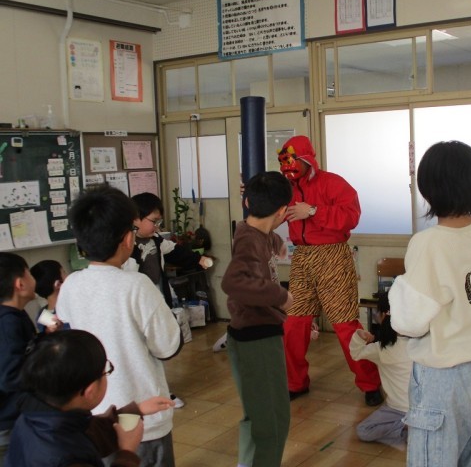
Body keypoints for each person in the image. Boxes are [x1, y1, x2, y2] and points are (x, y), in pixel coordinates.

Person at [389, 140, 471, 466]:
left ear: (429, 190)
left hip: (445, 376)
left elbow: (408, 322)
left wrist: (399, 289)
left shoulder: (429, 243)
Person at [56, 185, 183, 467]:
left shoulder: (71, 285)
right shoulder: (137, 285)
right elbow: (167, 347)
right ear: (128, 239)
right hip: (142, 416)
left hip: (95, 417)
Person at [277, 135, 382, 406]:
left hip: (333, 255)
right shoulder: (285, 188)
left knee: (345, 324)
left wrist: (313, 210)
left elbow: (351, 216)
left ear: (305, 160)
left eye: (291, 160)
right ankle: (294, 382)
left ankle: (370, 384)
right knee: (293, 324)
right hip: (302, 257)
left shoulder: (333, 183)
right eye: (283, 161)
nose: (287, 167)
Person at [5, 329, 175, 467]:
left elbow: (86, 433)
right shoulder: (67, 458)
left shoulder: (33, 417)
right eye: (106, 371)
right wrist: (127, 453)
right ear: (90, 390)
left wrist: (136, 410)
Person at [221, 171, 293, 467]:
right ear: (282, 211)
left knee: (258, 414)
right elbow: (233, 281)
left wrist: (275, 239)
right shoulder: (251, 241)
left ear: (247, 202)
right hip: (257, 337)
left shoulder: (249, 231)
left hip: (249, 335)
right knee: (273, 421)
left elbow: (255, 237)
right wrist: (281, 296)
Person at [125, 192, 213, 409]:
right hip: (135, 307)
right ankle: (146, 393)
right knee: (138, 351)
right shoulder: (126, 246)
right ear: (135, 219)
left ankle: (161, 391)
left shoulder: (156, 240)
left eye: (159, 222)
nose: (157, 227)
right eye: (153, 221)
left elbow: (177, 252)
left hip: (156, 301)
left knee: (155, 348)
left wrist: (199, 259)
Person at [349, 292, 411, 448]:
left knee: (364, 430)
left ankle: (406, 428)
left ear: (383, 316)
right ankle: (414, 429)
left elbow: (355, 354)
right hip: (423, 408)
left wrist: (359, 336)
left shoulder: (380, 349)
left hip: (396, 409)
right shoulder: (419, 343)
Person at [0, 252, 38, 465]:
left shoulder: (16, 314)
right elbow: (10, 377)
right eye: (29, 273)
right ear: (20, 284)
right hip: (9, 424)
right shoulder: (7, 323)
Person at [30, 259, 70, 333]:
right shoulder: (70, 308)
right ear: (58, 284)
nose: (68, 276)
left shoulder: (43, 314)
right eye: (64, 272)